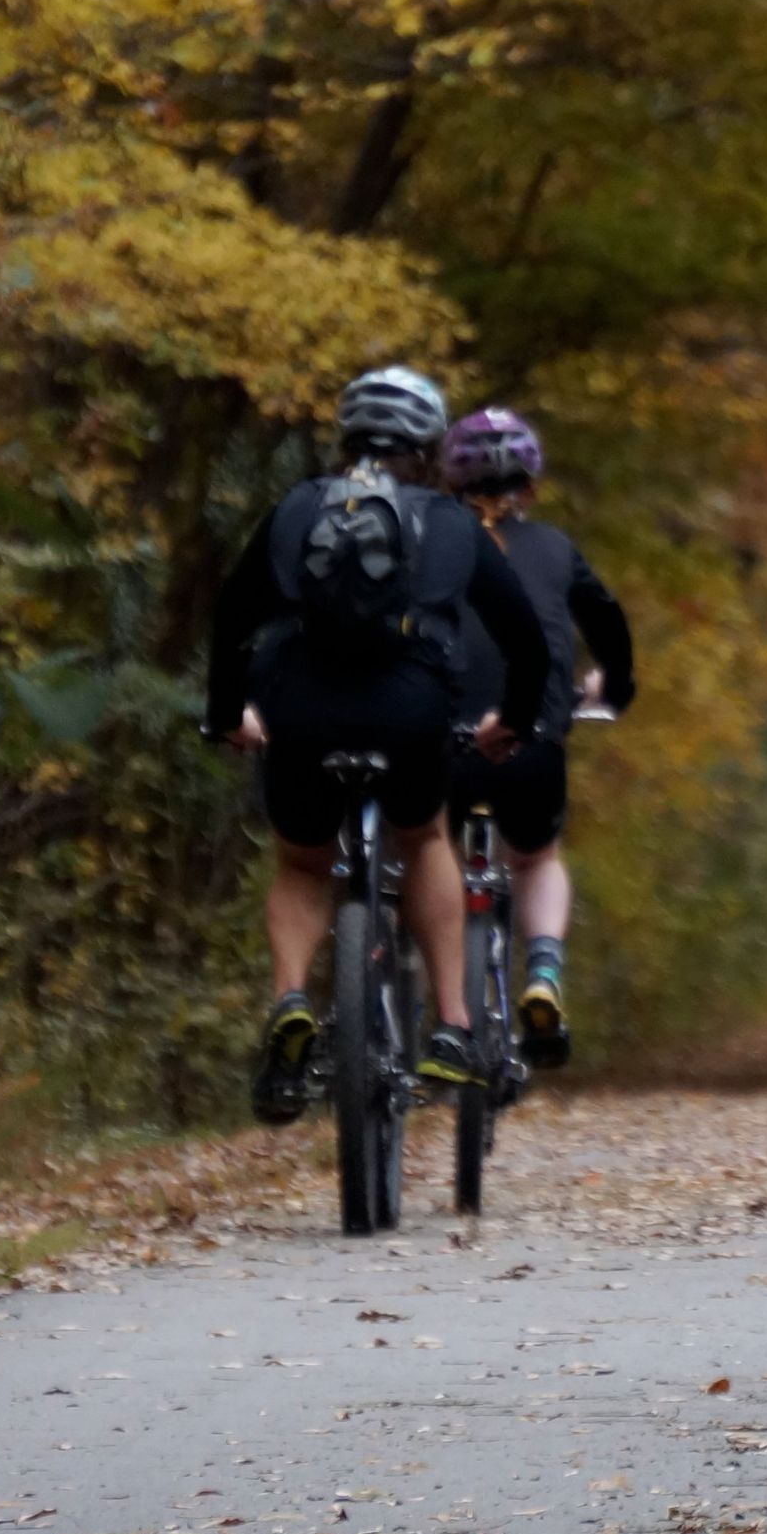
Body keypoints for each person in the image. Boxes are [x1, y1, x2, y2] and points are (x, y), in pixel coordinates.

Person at [205, 366, 552, 1124]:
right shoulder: (452, 523)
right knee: (424, 835)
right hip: (409, 708)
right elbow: (526, 642)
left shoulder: (298, 509)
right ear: (428, 446)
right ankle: (454, 1025)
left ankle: (293, 1000)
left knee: (302, 860)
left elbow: (231, 619)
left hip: (299, 705)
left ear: (346, 437)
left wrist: (228, 713)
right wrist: (512, 722)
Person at [435, 406, 637, 1068]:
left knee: (425, 850)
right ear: (531, 482)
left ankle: (433, 1005)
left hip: (444, 746)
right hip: (532, 745)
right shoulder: (554, 548)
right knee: (537, 858)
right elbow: (605, 620)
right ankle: (543, 971)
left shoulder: (425, 544)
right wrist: (615, 686)